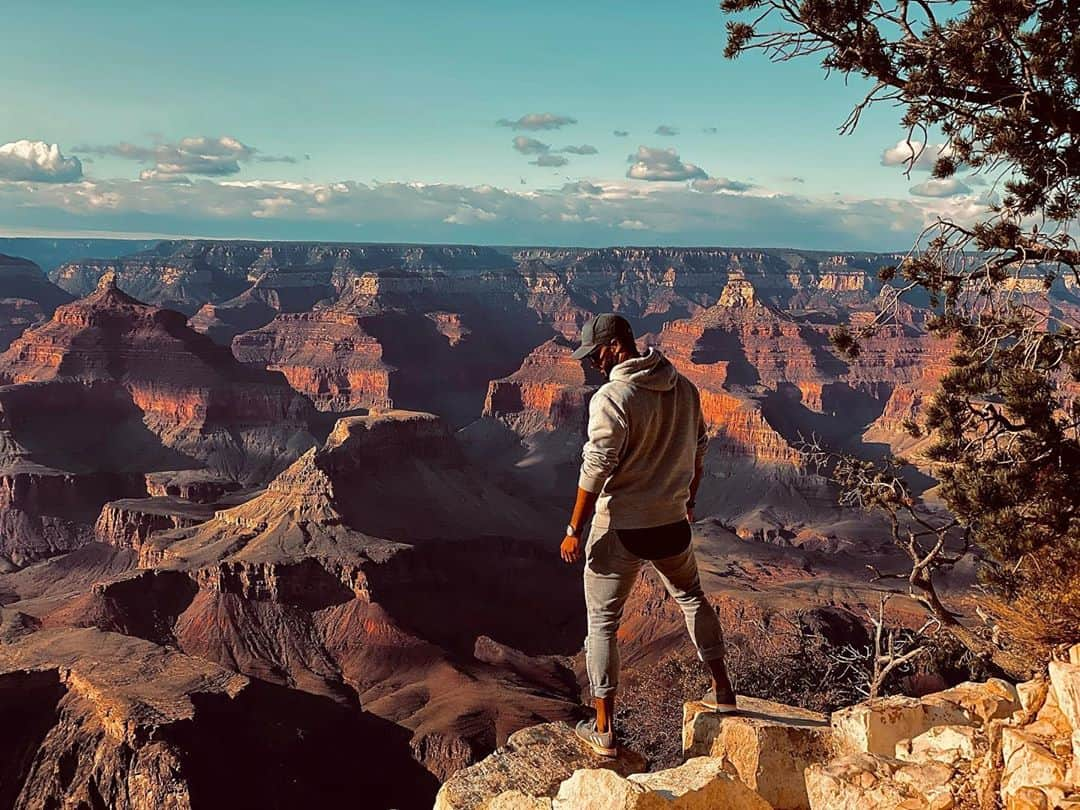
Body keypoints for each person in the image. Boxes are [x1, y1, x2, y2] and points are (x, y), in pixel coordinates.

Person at [560, 312, 736, 757]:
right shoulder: (685, 388)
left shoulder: (613, 396)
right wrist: (688, 502)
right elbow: (699, 450)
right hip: (671, 523)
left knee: (602, 623)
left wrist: (573, 529)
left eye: (596, 353)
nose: (592, 363)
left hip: (621, 526)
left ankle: (602, 730)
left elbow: (595, 467)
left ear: (617, 345)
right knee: (692, 597)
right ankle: (724, 690)